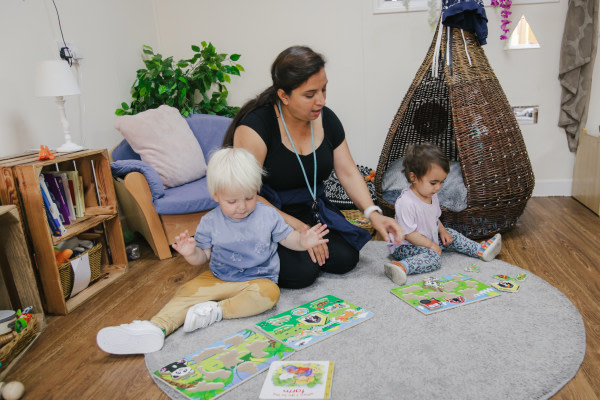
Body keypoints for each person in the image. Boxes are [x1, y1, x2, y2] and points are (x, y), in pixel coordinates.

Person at [96, 148, 329, 355]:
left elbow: (289, 240)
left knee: (270, 295)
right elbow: (202, 258)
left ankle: (216, 312)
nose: (242, 207)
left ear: (256, 190)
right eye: (231, 201)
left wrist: (304, 241)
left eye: (249, 198)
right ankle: (156, 328)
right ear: (216, 196)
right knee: (186, 291)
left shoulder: (268, 215)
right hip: (218, 277)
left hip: (258, 279)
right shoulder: (209, 222)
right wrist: (190, 253)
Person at [222, 45, 403, 289]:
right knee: (301, 273)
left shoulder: (326, 118)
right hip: (265, 213)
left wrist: (373, 214)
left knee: (345, 258)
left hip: (312, 208)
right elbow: (245, 195)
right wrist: (300, 229)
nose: (321, 100)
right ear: (284, 96)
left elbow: (348, 172)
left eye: (324, 89)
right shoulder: (255, 128)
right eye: (310, 95)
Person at [383, 143, 502, 285]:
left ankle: (480, 250)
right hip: (405, 246)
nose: (438, 187)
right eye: (433, 183)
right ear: (413, 177)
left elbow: (434, 217)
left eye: (441, 182)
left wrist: (443, 231)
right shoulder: (406, 203)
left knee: (451, 233)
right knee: (434, 258)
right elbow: (409, 234)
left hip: (427, 239)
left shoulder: (431, 195)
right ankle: (401, 266)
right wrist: (431, 246)